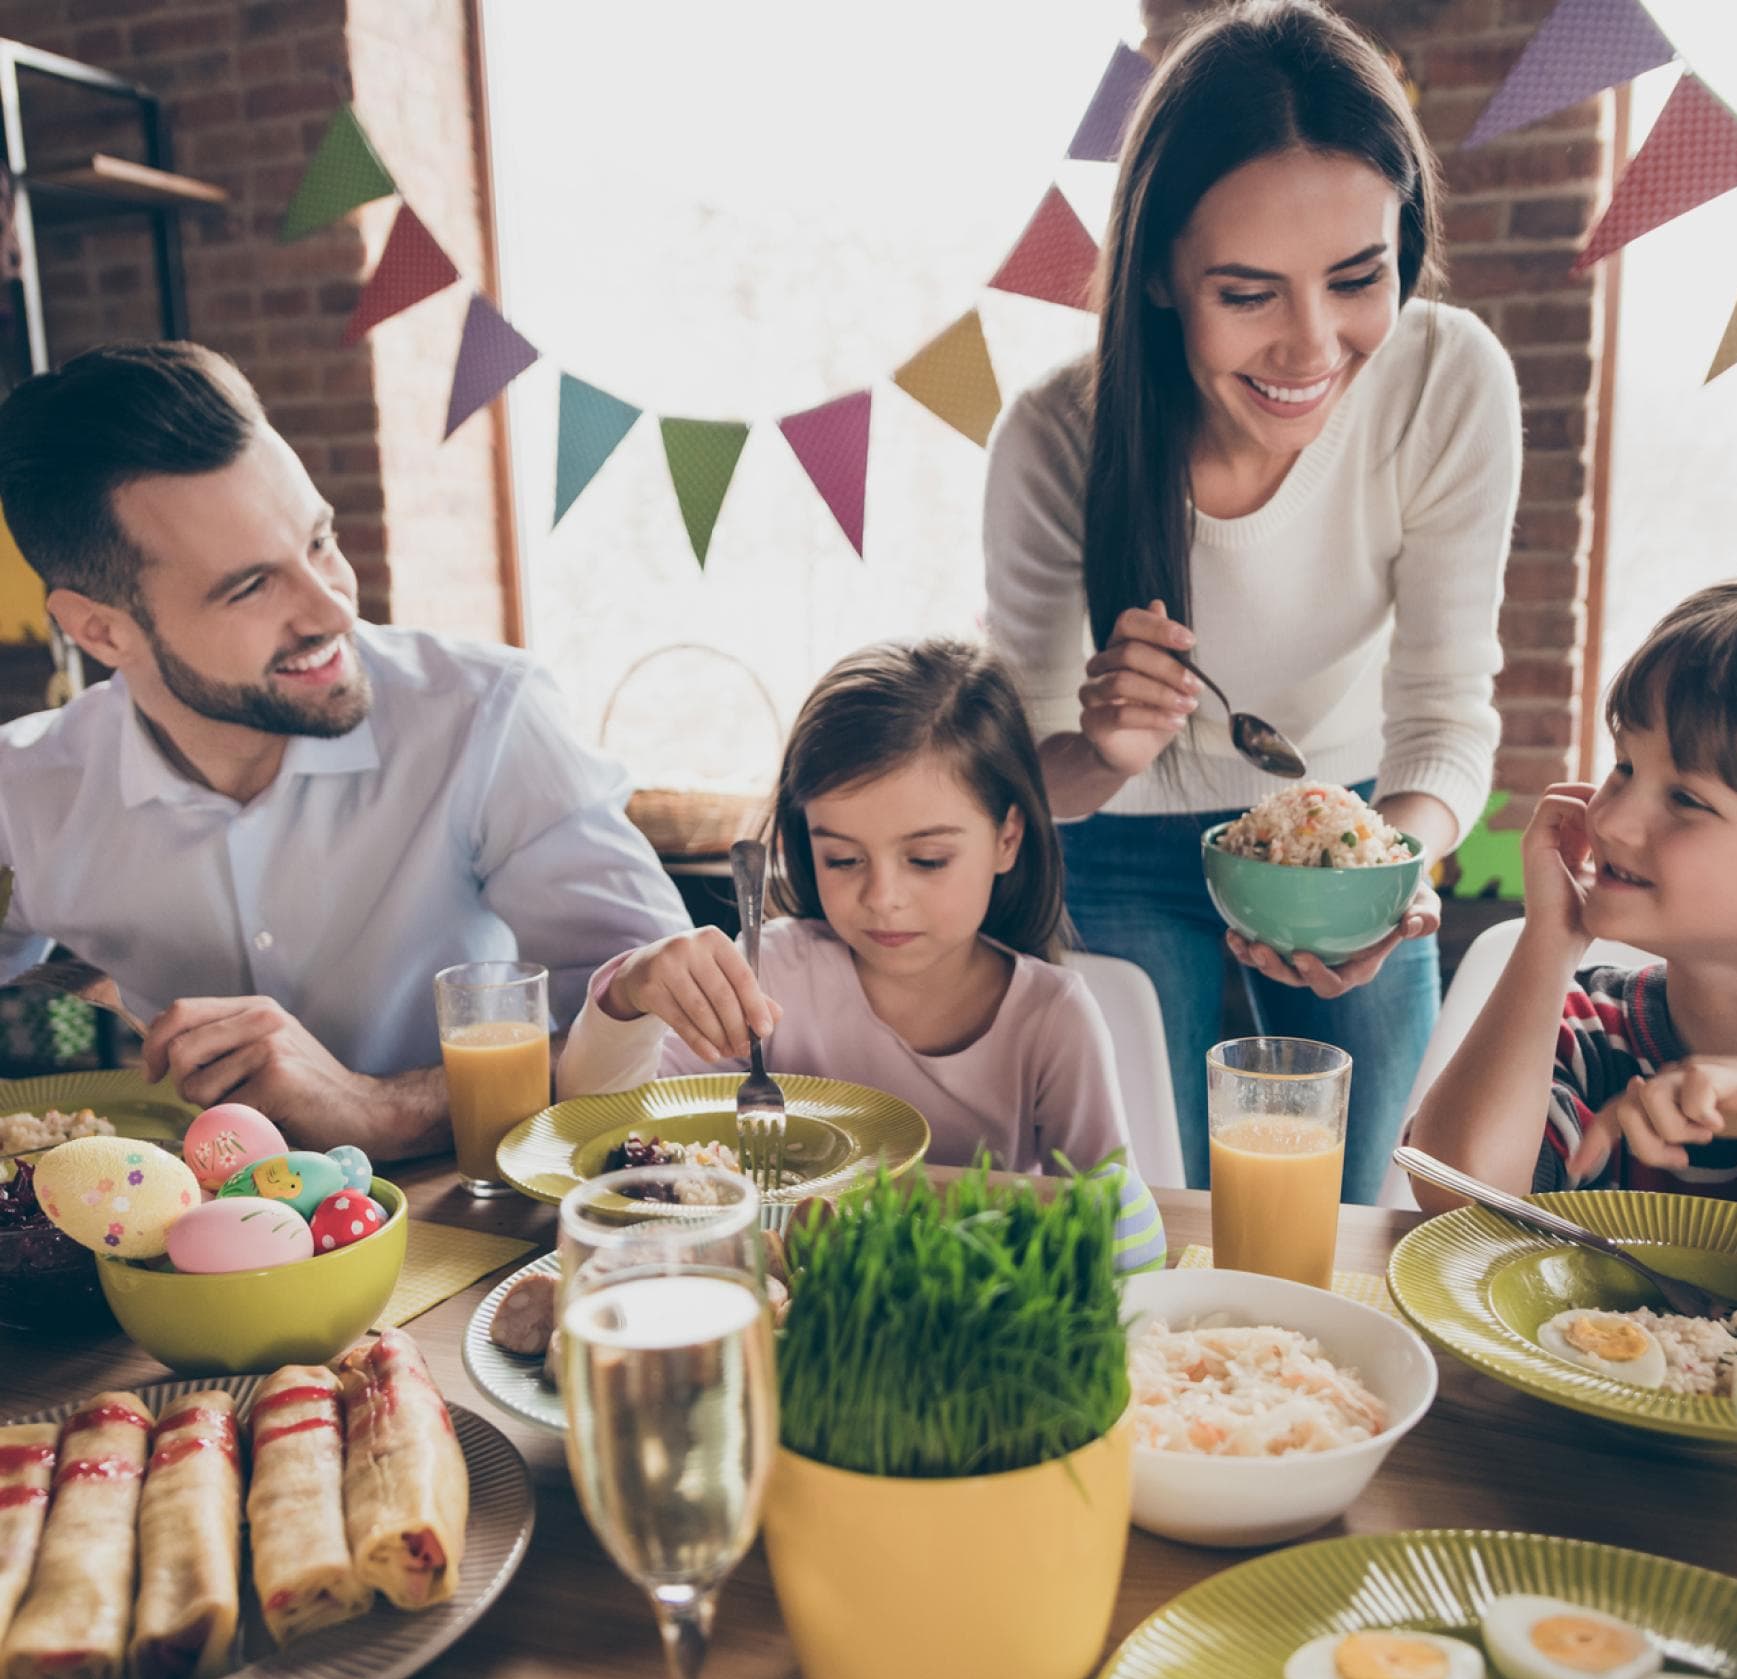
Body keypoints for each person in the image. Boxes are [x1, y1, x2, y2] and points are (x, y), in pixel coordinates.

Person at [984, 0, 1521, 1198]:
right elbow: (1013, 778)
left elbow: (1444, 712)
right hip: (1113, 848)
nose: (1313, 346)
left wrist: (1397, 876)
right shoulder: (1055, 438)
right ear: (1164, 273)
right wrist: (1106, 750)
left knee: (1380, 1199)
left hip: (1354, 832)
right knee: (1156, 1207)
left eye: (1355, 278)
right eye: (1249, 294)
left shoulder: (1447, 380)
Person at [0, 341, 689, 1158]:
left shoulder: (487, 717)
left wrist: (380, 1107)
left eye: (320, 540)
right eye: (252, 585)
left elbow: (673, 1043)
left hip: (482, 1230)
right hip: (171, 1250)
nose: (331, 608)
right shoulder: (24, 791)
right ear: (99, 630)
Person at [1409, 574, 1737, 1244]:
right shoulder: (1593, 1035)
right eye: (1623, 765)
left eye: (1686, 799)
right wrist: (1551, 939)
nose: (1611, 819)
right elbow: (1457, 1194)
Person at [558, 640, 1129, 1177]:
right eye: (843, 860)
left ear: (1007, 839)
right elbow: (600, 1130)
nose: (882, 898)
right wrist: (627, 996)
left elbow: (1113, 1225)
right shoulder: (774, 974)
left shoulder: (1053, 1021)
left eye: (927, 859)